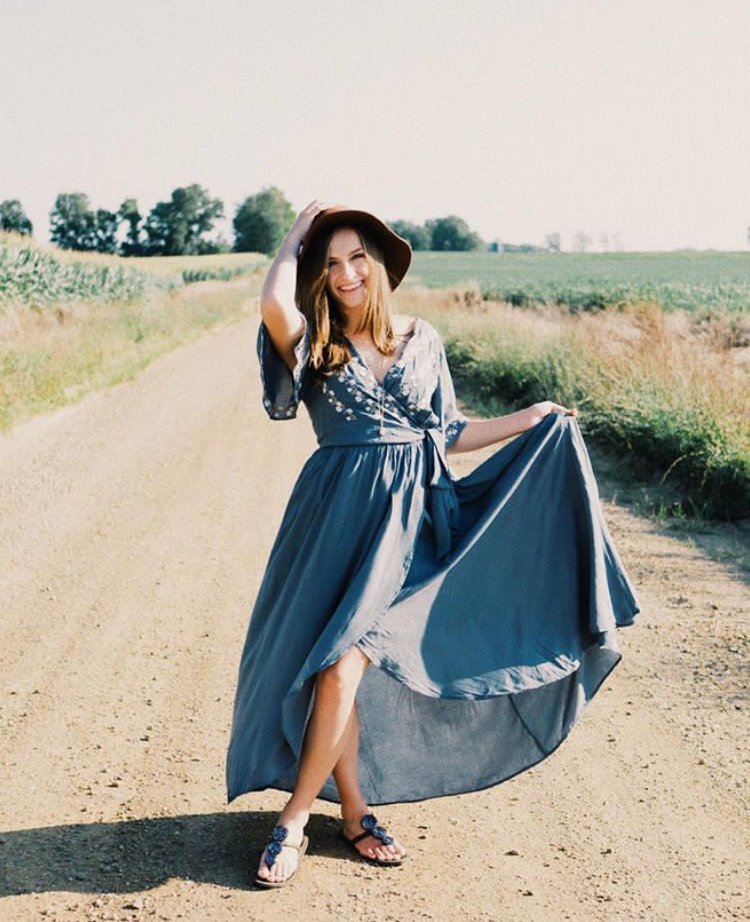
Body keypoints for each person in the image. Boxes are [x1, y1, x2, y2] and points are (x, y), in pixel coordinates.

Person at [226, 200, 640, 888]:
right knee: (338, 670)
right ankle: (355, 813)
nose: (346, 273)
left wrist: (526, 419)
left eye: (358, 257)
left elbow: (446, 433)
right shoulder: (317, 340)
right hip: (333, 526)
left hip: (412, 526)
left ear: (382, 264)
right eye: (330, 264)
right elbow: (274, 298)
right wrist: (297, 235)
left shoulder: (424, 340)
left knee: (342, 665)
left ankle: (294, 821)